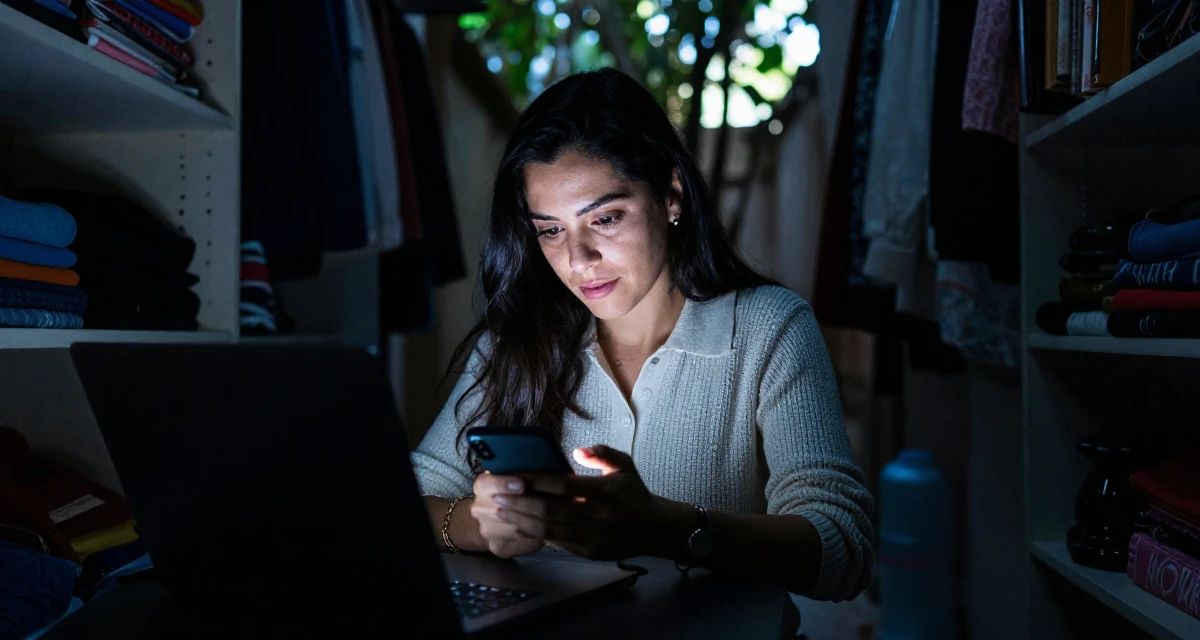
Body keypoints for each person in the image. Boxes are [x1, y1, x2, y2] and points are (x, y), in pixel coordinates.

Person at [412, 68, 874, 605]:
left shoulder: (767, 328)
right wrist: (474, 523)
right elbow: (403, 499)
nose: (578, 260)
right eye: (551, 230)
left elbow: (845, 547)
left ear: (671, 194)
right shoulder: (517, 340)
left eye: (605, 218)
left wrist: (665, 528)